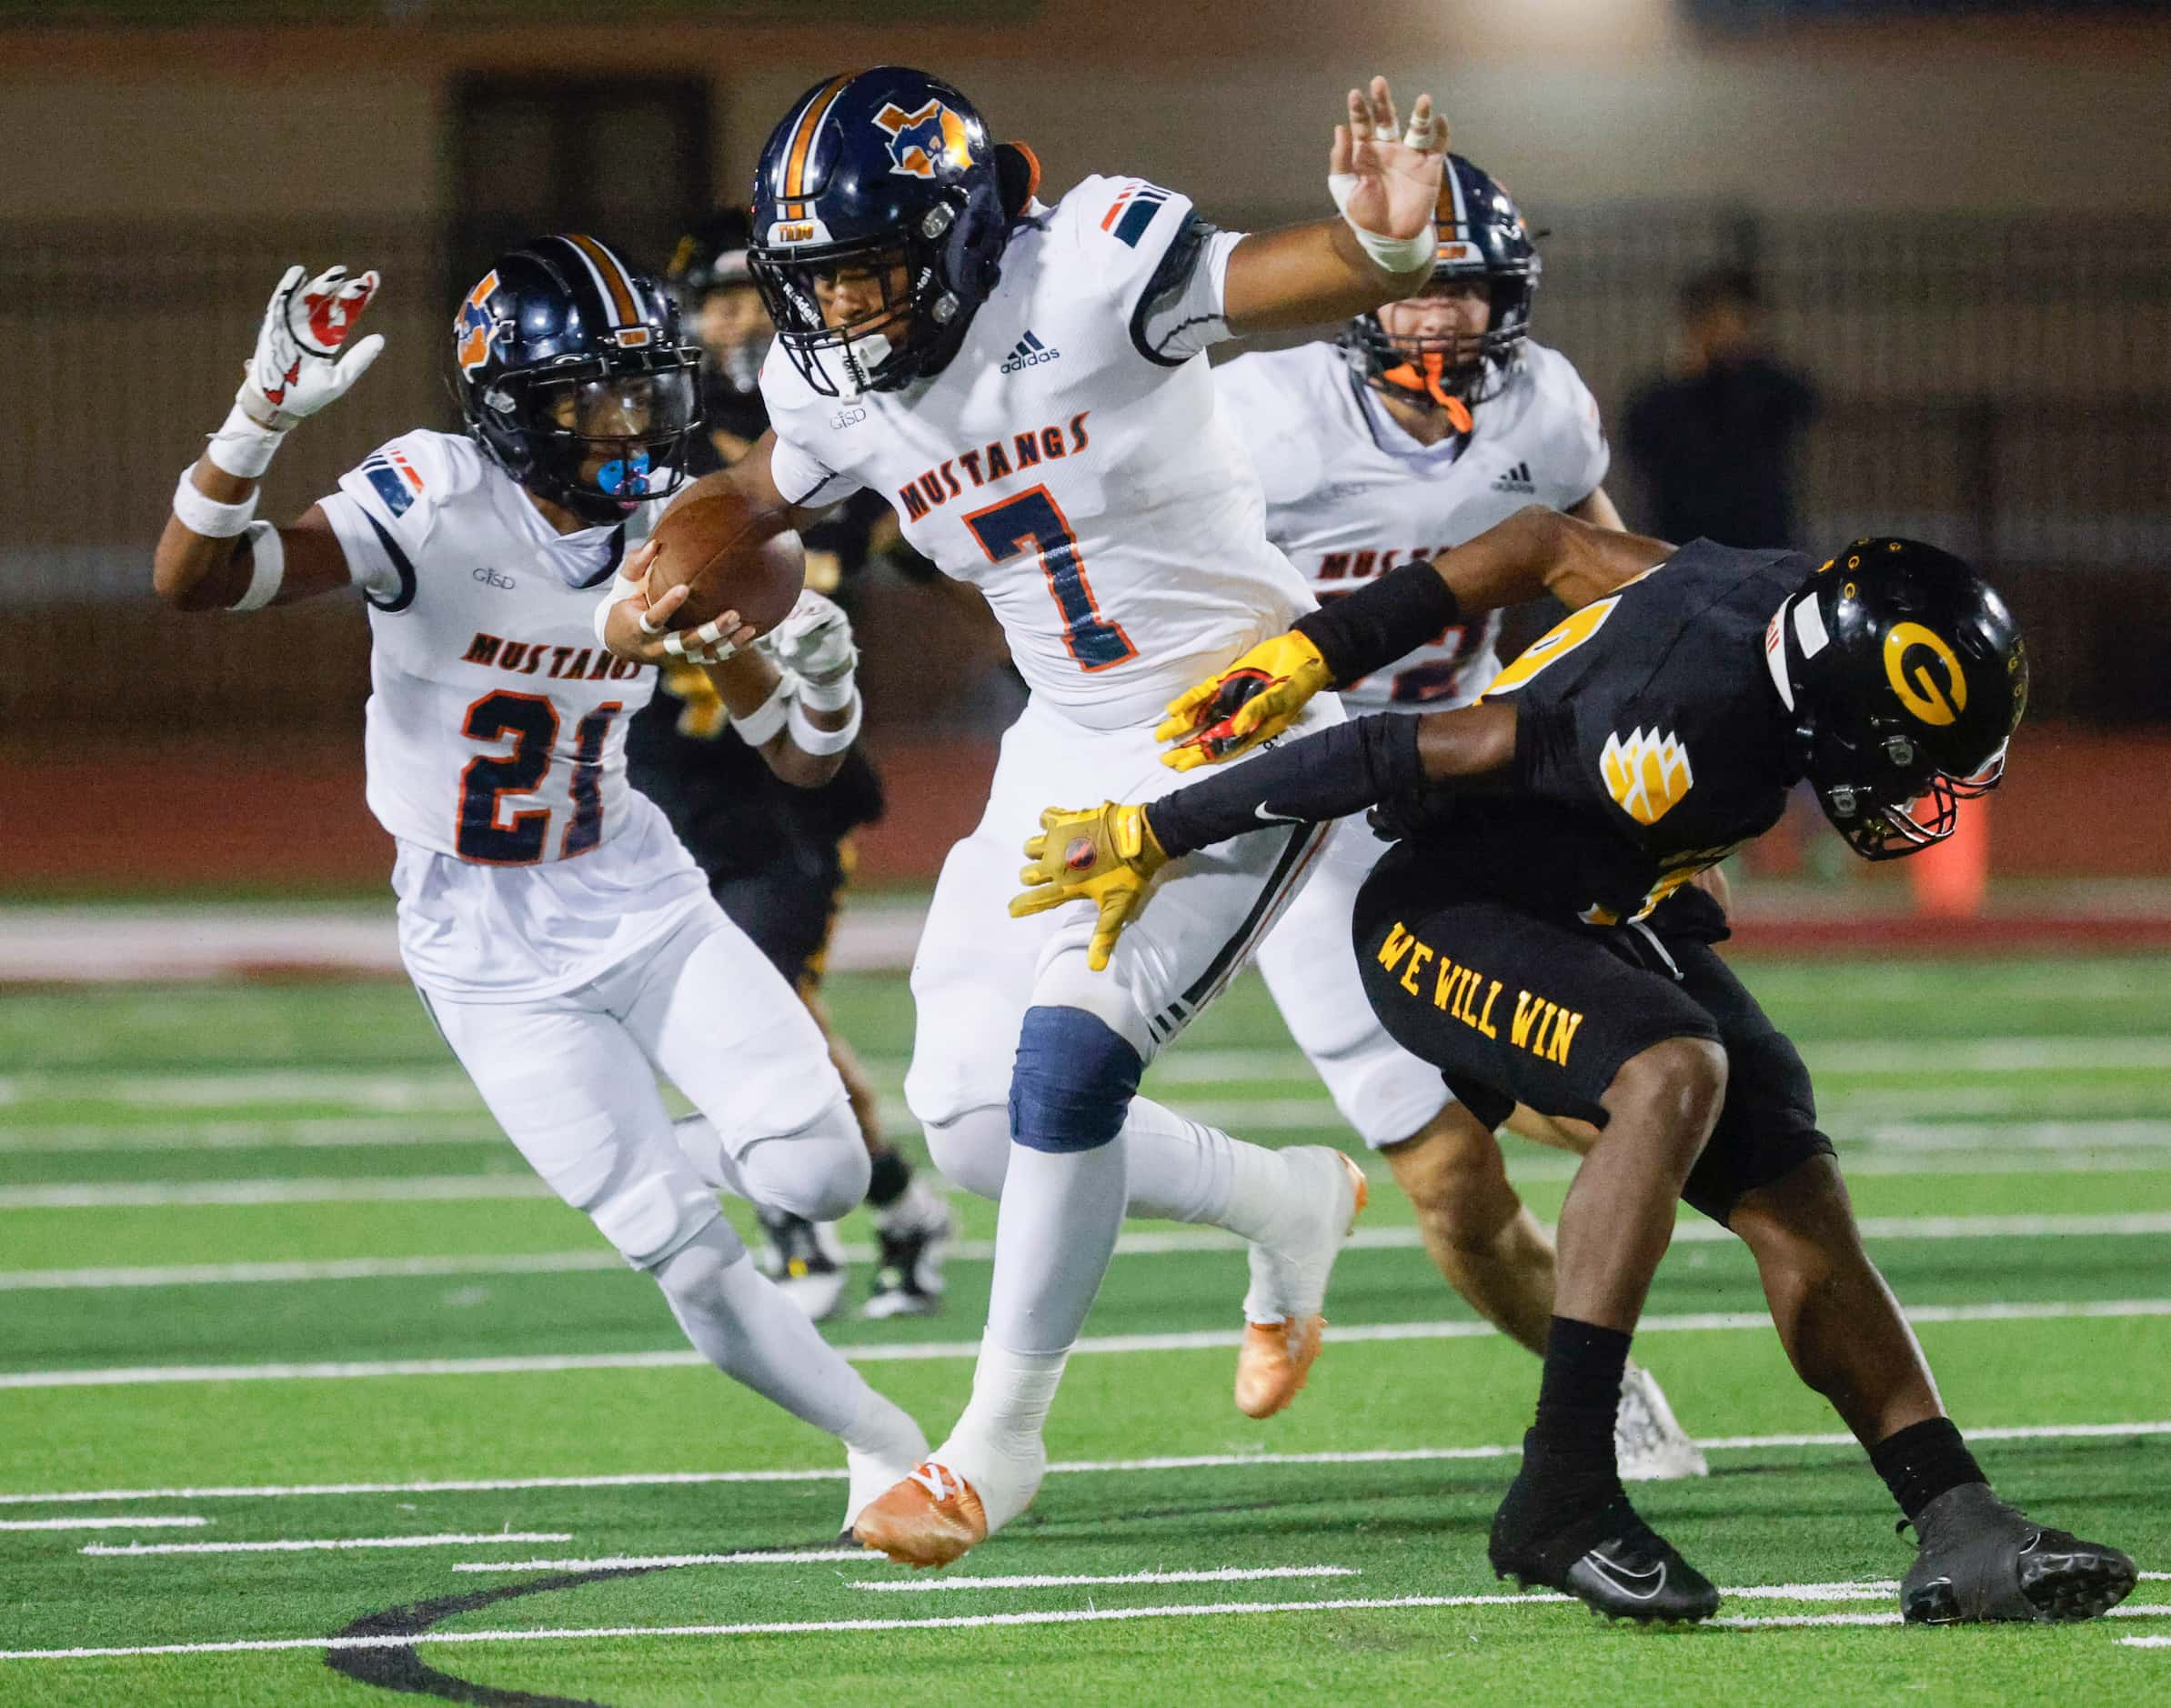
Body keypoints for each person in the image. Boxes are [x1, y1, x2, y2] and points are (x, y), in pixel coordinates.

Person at [598, 65, 1458, 1566]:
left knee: (1069, 1053)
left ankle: (994, 1441)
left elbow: (1281, 276)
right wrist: (671, 554)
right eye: (818, 280)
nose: (841, 309)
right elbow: (761, 494)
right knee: (975, 1126)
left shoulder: (1097, 263)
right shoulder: (832, 375)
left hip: (1228, 717)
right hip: (1063, 740)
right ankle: (1287, 1201)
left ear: (950, 234)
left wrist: (1380, 248)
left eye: (865, 268)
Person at [1015, 514, 2136, 1627]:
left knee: (1787, 1167)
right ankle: (1562, 1490)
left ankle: (1955, 1518)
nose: (1913, 793)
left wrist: (1330, 644)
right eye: (1902, 754)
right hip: (1444, 914)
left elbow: (1549, 543)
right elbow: (1388, 752)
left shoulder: (1781, 609)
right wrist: (1152, 830)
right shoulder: (1671, 727)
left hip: (1583, 902)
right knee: (1670, 1070)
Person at [150, 239, 929, 1535]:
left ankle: (641, 1166)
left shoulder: (670, 521)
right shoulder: (435, 492)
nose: (638, 421)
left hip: (635, 885)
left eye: (646, 387)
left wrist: (829, 679)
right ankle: (881, 1441)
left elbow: (795, 752)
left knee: (823, 1174)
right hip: (476, 936)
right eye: (596, 394)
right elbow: (199, 578)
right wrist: (262, 410)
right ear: (514, 405)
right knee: (681, 1252)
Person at [1215, 154, 1703, 1481]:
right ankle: (1592, 1388)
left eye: (1465, 292)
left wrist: (1689, 683)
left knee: (1629, 1084)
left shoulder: (1540, 408)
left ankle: (1772, 1226)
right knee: (1449, 1177)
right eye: (1416, 288)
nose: (1436, 319)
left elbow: (1606, 579)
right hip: (1305, 814)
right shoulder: (1259, 416)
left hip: (1466, 776)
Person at [630, 211, 953, 1322]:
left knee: (769, 1012)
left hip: (790, 784)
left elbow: (922, 550)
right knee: (740, 1023)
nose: (732, 317)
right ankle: (900, 1203)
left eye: (748, 294)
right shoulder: (652, 450)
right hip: (668, 785)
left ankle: (800, 1229)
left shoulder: (835, 432)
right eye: (712, 297)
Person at [1622, 266, 1820, 550]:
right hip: (1686, 545)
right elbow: (1642, 439)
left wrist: (1740, 366)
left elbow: (1800, 403)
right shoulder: (1667, 397)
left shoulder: (1767, 387)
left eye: (1735, 321)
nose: (1724, 333)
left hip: (1761, 544)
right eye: (1713, 320)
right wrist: (1690, 374)